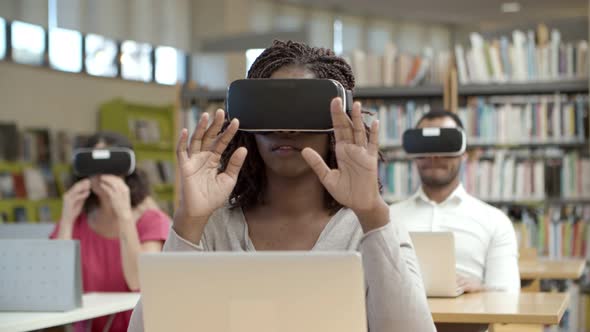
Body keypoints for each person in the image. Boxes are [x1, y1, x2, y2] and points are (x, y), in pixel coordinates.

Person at [128, 40, 435, 332]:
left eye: (303, 110)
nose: (286, 128)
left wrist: (371, 215)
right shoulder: (212, 226)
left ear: (335, 121)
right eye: (272, 109)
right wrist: (188, 222)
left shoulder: (371, 225)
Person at [51, 131, 171, 332]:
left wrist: (124, 215)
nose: (102, 174)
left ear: (126, 170)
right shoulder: (76, 221)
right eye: (95, 166)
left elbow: (137, 281)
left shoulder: (152, 221)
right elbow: (56, 283)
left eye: (111, 166)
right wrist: (66, 220)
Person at [390, 110, 520, 294]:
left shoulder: (495, 222)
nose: (434, 156)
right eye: (426, 146)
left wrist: (481, 290)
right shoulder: (387, 219)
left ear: (464, 153)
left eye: (445, 145)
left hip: (470, 319)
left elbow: (509, 296)